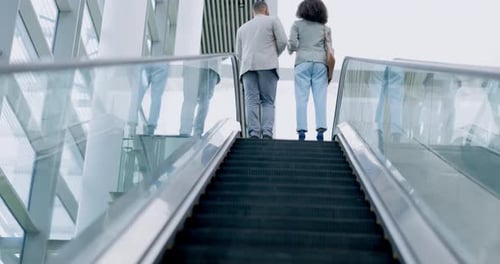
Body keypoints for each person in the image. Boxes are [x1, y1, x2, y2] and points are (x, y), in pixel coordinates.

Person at [235, 1, 287, 139]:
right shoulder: (273, 20)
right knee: (268, 101)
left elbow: (238, 53)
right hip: (267, 66)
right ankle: (267, 133)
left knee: (251, 101)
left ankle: (254, 133)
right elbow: (283, 41)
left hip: (247, 67)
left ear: (253, 11)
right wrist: (273, 54)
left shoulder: (242, 28)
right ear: (266, 9)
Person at [287, 0, 331, 141]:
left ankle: (301, 131)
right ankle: (320, 131)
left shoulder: (297, 25)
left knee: (301, 98)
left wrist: (291, 49)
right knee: (320, 98)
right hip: (320, 63)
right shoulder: (325, 29)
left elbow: (293, 44)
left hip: (302, 62)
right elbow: (329, 49)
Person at [179, 58, 221, 138]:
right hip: (211, 65)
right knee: (204, 101)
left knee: (189, 100)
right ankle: (197, 133)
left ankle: (185, 131)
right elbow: (226, 50)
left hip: (191, 63)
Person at [127, 64, 168, 136]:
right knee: (156, 97)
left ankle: (132, 127)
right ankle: (151, 129)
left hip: (144, 59)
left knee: (136, 95)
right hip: (161, 61)